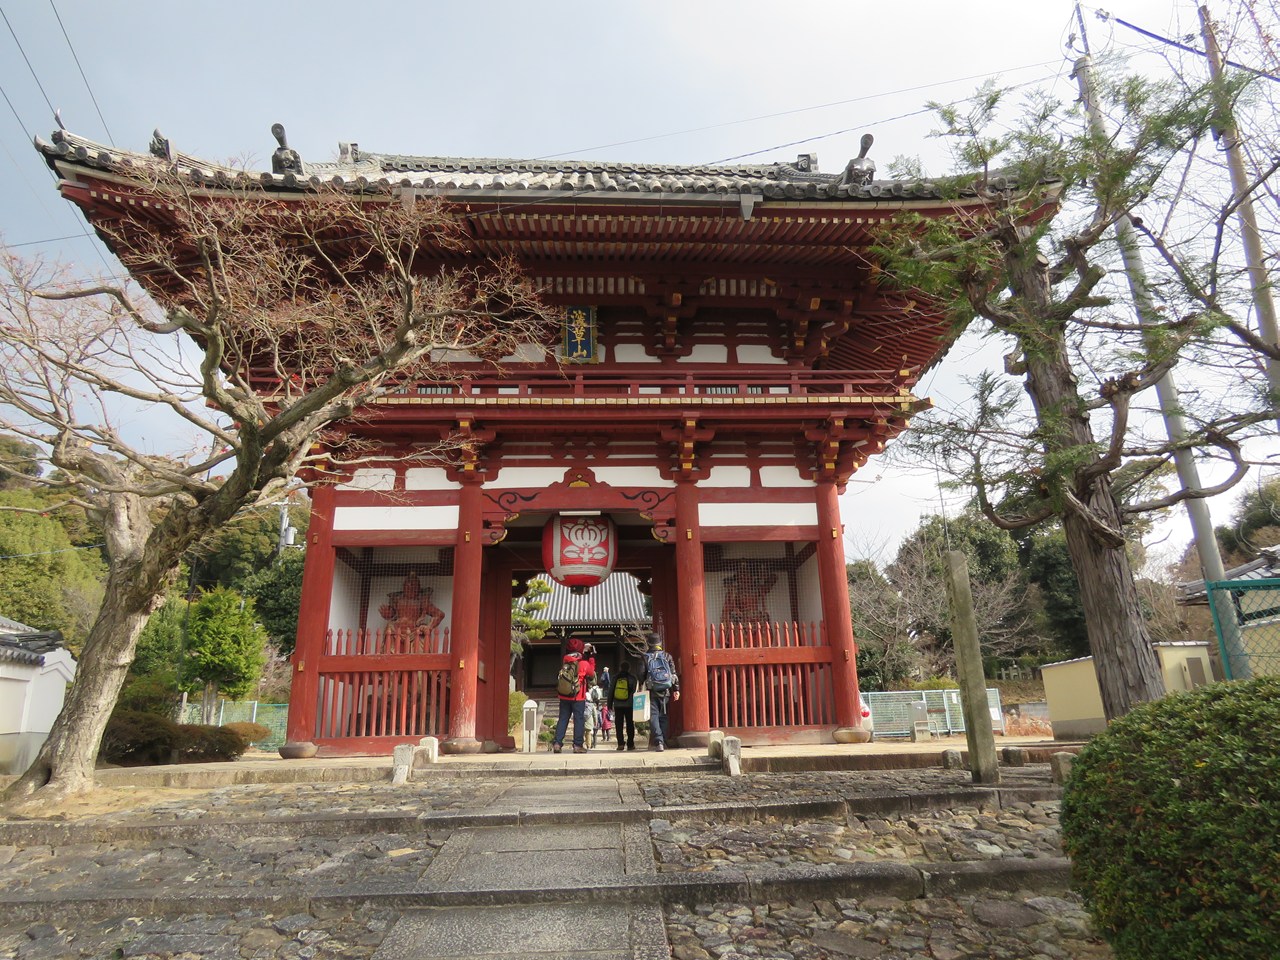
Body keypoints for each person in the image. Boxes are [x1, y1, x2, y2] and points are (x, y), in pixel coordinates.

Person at [552, 638, 596, 754]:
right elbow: (592, 675)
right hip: (578, 696)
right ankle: (577, 745)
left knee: (563, 719)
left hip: (564, 695)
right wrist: (591, 657)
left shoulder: (565, 661)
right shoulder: (584, 664)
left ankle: (557, 744)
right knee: (578, 720)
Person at [639, 635, 679, 752]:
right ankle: (663, 740)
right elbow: (673, 674)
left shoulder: (645, 657)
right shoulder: (667, 656)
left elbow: (640, 675)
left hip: (652, 691)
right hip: (666, 690)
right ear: (660, 643)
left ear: (648, 643)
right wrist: (676, 690)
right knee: (664, 716)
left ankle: (659, 741)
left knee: (654, 716)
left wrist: (642, 683)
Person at [609, 660, 637, 751]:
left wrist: (609, 704)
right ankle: (630, 744)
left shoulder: (615, 677)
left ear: (620, 668)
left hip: (618, 705)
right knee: (630, 724)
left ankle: (620, 744)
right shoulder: (632, 678)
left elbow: (611, 691)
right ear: (629, 668)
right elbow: (635, 691)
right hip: (629, 704)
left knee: (618, 725)